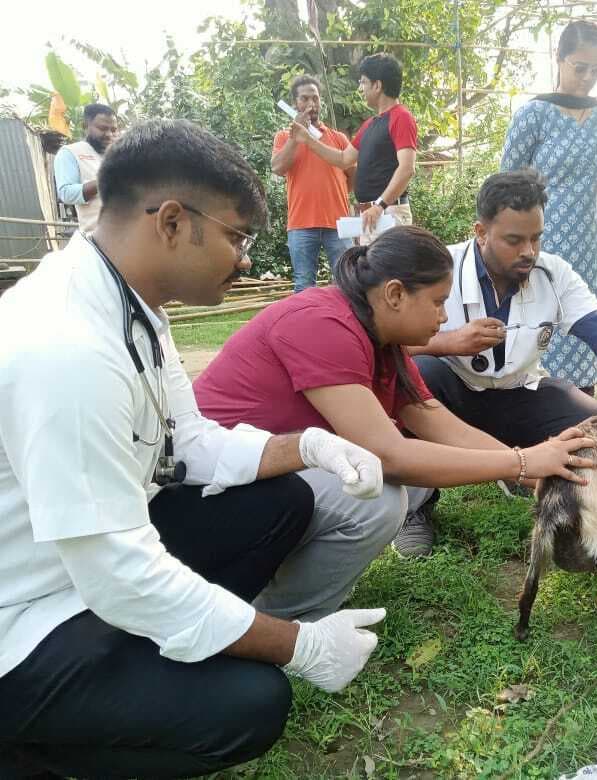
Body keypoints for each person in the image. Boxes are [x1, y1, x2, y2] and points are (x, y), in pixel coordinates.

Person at [0, 119, 394, 778]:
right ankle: (27, 752)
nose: (245, 260)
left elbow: (187, 440)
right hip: (25, 617)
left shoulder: (132, 302)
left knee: (281, 499)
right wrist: (299, 646)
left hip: (86, 568)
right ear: (173, 222)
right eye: (238, 237)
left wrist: (311, 447)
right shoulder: (66, 349)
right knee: (251, 705)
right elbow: (118, 573)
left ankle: (163, 651)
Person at [193, 224, 597, 561]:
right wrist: (521, 462)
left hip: (268, 474)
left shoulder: (383, 344)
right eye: (437, 302)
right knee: (377, 498)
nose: (444, 317)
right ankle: (282, 615)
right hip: (212, 484)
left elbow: (440, 424)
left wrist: (532, 470)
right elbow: (389, 457)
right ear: (395, 294)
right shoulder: (324, 324)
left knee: (404, 479)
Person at [411, 169, 597, 544]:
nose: (528, 252)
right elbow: (388, 342)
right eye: (514, 240)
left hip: (520, 393)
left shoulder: (552, 273)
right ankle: (414, 508)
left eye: (536, 238)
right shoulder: (440, 270)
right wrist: (448, 342)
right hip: (451, 395)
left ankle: (564, 489)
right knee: (414, 374)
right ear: (481, 233)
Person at [500, 20, 597, 394]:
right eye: (580, 68)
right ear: (559, 59)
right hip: (542, 241)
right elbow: (506, 185)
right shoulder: (533, 114)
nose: (587, 78)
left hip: (589, 243)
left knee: (586, 323)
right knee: (543, 323)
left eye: (595, 69)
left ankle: (585, 407)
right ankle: (541, 408)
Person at [292, 53, 417, 243]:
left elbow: (407, 168)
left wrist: (379, 205)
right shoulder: (369, 124)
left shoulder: (401, 117)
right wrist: (307, 139)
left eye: (364, 82)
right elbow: (344, 159)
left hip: (388, 213)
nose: (361, 88)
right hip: (371, 215)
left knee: (389, 264)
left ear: (377, 85)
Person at [272, 74, 353, 292]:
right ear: (295, 104)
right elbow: (277, 167)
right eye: (305, 99)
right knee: (304, 285)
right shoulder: (283, 137)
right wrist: (295, 136)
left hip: (339, 224)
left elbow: (353, 175)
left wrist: (338, 195)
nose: (311, 104)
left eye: (315, 98)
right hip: (301, 224)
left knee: (347, 283)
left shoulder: (338, 138)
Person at [53, 103, 118, 233]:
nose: (109, 134)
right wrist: (105, 180)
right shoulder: (71, 153)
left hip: (128, 234)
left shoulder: (119, 153)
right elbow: (66, 193)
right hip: (97, 237)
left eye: (113, 130)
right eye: (103, 128)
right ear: (85, 126)